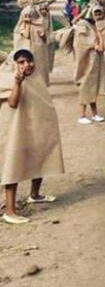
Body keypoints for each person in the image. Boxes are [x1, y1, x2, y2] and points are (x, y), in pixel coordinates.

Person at [0, 49, 65, 224]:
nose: (27, 65)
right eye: (21, 62)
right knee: (13, 165)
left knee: (40, 155)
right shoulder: (7, 78)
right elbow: (13, 103)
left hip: (34, 126)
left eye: (29, 61)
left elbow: (42, 103)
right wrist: (18, 83)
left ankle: (34, 195)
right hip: (15, 129)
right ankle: (10, 211)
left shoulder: (36, 79)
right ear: (14, 64)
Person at [70, 4, 105, 124]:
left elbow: (101, 47)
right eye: (96, 13)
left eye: (100, 13)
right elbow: (94, 46)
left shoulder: (91, 27)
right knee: (85, 89)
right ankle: (82, 115)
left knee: (92, 89)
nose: (98, 16)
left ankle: (94, 114)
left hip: (93, 63)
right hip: (87, 64)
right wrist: (96, 40)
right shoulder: (84, 27)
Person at [13, 0, 51, 85]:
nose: (28, 18)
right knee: (27, 67)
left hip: (37, 49)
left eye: (30, 16)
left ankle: (41, 83)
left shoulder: (38, 25)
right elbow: (26, 35)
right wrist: (27, 25)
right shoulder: (22, 26)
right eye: (25, 16)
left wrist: (43, 36)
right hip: (27, 50)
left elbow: (45, 40)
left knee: (39, 66)